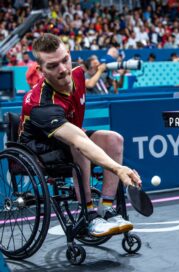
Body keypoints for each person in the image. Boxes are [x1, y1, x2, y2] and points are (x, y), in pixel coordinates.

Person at [18, 33, 142, 237]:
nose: (63, 69)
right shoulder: (40, 103)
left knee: (114, 139)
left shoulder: (78, 73)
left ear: (70, 54)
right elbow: (78, 140)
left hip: (69, 135)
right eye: (53, 66)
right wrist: (118, 168)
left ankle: (107, 208)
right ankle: (89, 216)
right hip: (39, 149)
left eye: (65, 60)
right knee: (80, 147)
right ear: (41, 70)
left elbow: (77, 134)